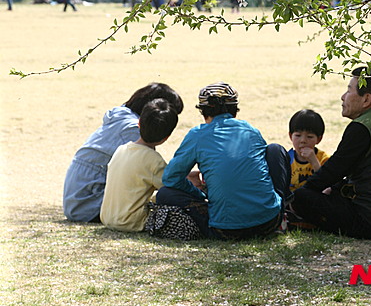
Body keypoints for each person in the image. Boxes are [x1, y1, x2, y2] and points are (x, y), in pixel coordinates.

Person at [292, 67, 371, 239]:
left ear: (366, 99)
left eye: (348, 90)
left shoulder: (361, 127)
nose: (343, 97)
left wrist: (303, 196)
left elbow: (333, 170)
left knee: (301, 197)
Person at [157, 82, 291, 239]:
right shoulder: (250, 131)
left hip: (225, 230)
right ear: (235, 110)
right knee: (276, 149)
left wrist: (198, 194)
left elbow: (171, 178)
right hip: (269, 221)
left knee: (164, 194)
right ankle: (282, 211)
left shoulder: (197, 135)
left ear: (203, 112)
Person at [63, 82, 184, 222]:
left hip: (76, 199)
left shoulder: (120, 117)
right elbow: (151, 173)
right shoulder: (132, 129)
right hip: (89, 204)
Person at [100, 99, 178, 232]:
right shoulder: (154, 160)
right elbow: (170, 186)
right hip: (131, 222)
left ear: (139, 123)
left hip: (107, 218)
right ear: (167, 137)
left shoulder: (121, 150)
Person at [288, 109, 330, 192]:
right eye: (298, 135)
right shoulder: (287, 159)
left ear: (319, 139)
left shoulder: (324, 159)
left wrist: (314, 162)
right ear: (290, 136)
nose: (303, 140)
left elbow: (327, 187)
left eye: (310, 136)